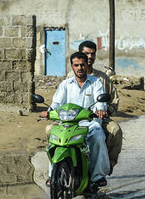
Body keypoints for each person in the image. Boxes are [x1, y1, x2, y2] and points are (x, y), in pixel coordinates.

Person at [41, 52, 110, 187]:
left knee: (97, 136)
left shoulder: (95, 82)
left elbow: (99, 101)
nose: (80, 68)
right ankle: (52, 174)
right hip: (68, 123)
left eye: (82, 65)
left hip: (89, 123)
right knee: (53, 138)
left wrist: (100, 110)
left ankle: (97, 176)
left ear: (87, 65)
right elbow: (56, 103)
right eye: (76, 65)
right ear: (72, 67)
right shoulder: (65, 84)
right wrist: (48, 112)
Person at [77, 41, 123, 175]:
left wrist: (107, 111)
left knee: (115, 130)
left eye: (92, 54)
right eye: (86, 53)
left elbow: (114, 100)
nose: (89, 57)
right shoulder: (70, 78)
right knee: (52, 132)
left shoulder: (102, 79)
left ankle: (107, 165)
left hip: (98, 119)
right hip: (75, 119)